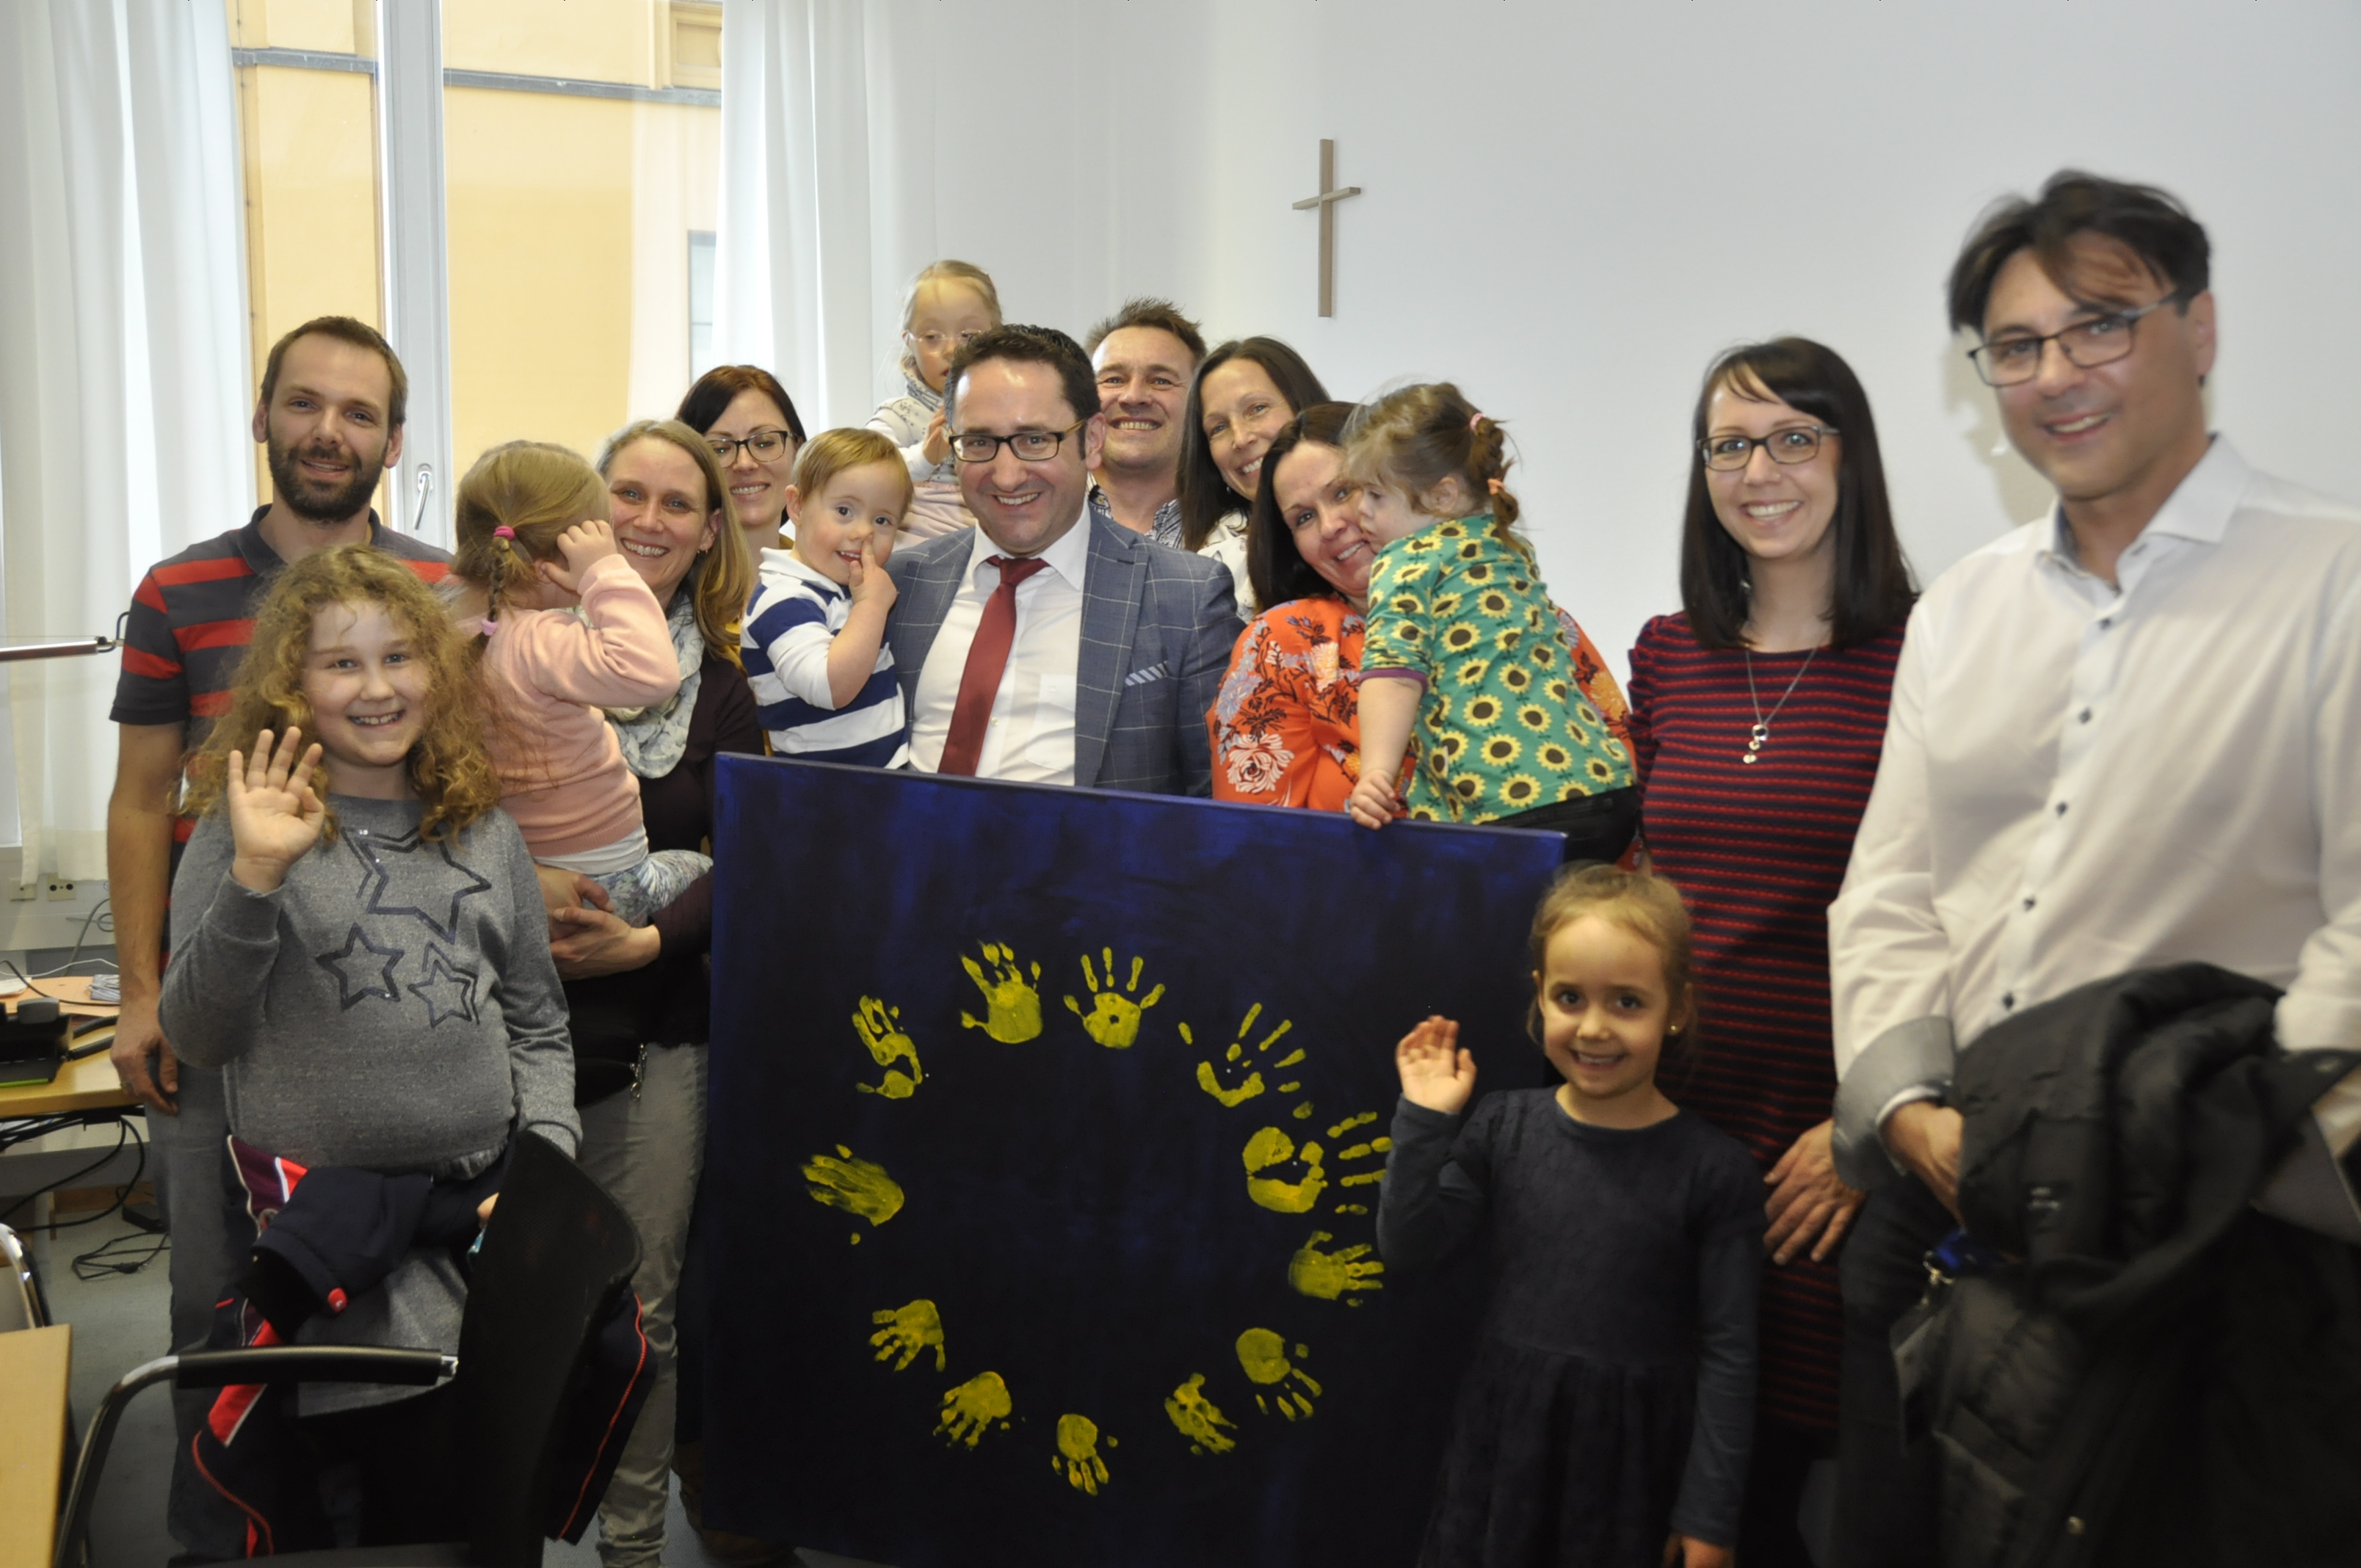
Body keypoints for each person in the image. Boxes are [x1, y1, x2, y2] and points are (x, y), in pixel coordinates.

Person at [1828, 170, 2361, 1566]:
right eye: (2016, 346)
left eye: (2101, 326)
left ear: (2200, 327)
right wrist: (1911, 1116)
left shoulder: (2335, 581)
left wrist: (2207, 1165)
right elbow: (1890, 891)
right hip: (1949, 1214)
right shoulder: (1963, 610)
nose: (2056, 375)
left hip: (2207, 1264)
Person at [103, 313, 451, 1561]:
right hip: (222, 1011)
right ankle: (219, 1539)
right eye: (304, 404)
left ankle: (370, 1537)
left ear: (394, 442)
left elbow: (473, 795)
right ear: (262, 417)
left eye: (359, 413)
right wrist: (138, 991)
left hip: (383, 1023)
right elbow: (141, 800)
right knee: (217, 1302)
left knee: (381, 1299)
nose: (328, 432)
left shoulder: (445, 594)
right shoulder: (176, 591)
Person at [159, 545, 576, 1545]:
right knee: (363, 1516)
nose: (378, 688)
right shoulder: (243, 828)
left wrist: (545, 1165)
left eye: (399, 657)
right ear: (292, 686)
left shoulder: (483, 830)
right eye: (342, 664)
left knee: (490, 1506)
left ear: (437, 668)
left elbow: (538, 1021)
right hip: (331, 1242)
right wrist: (257, 878)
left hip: (482, 1226)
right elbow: (200, 1034)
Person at [1624, 338, 1915, 1567]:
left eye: (1795, 437)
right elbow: (1641, 890)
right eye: (1731, 445)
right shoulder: (1667, 653)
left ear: (1851, 457)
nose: (1760, 472)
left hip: (1822, 1160)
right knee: (1658, 1484)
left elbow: (1968, 918)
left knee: (1782, 1501)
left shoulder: (1927, 657)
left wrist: (1874, 1126)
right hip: (1665, 1143)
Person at [1377, 865, 1759, 1568]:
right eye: (1570, 998)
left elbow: (1731, 1354)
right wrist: (1423, 1121)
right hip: (1504, 1443)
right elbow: (1408, 1245)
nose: (1593, 1028)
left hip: (1631, 1463)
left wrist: (1710, 1516)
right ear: (1540, 997)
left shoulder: (1715, 1171)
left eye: (1627, 1003)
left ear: (1677, 1007)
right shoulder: (1504, 1127)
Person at [534, 418, 763, 1568]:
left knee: (641, 1308)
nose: (649, 521)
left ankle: (633, 1550)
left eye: (679, 504)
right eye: (628, 494)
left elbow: (751, 854)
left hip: (656, 1031)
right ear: (587, 510)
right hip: (498, 1031)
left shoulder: (720, 690)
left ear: (711, 532)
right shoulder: (512, 655)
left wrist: (646, 941)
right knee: (502, 1307)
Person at [1213, 404, 1633, 812]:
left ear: (1420, 484)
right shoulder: (1277, 646)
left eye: (1345, 492)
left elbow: (1621, 774)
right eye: (1303, 518)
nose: (1330, 526)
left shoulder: (1528, 612)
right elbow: (1254, 837)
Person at [884, 324, 1238, 795]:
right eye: (980, 442)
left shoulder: (1186, 599)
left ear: (1092, 441)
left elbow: (1216, 806)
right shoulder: (900, 585)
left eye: (1035, 440)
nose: (1007, 476)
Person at [1341, 385, 1639, 858]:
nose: (1360, 510)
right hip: (1606, 790)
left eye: (1376, 495)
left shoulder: (1407, 559)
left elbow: (1394, 674)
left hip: (1506, 804)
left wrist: (1377, 772)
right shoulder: (1511, 546)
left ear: (1443, 496)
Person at [445, 442, 703, 926]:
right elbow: (656, 674)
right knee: (705, 869)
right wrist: (605, 574)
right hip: (606, 879)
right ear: (557, 558)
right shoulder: (538, 639)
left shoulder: (445, 636)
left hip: (523, 880)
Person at [744, 427, 913, 765]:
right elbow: (829, 687)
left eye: (882, 520)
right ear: (797, 507)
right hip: (825, 787)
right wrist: (872, 606)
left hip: (882, 777)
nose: (863, 532)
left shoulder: (845, 589)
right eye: (844, 511)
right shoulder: (782, 598)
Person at [1178, 337, 1330, 615]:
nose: (1240, 438)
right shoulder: (1216, 569)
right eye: (1219, 427)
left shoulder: (1382, 512)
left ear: (1302, 404)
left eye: (1257, 409)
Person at [868, 259, 1000, 540]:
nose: (951, 349)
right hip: (916, 553)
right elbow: (863, 475)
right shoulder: (899, 416)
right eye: (932, 337)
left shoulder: (1007, 418)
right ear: (909, 341)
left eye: (969, 335)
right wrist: (924, 458)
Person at [1083, 297, 1205, 544]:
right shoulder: (1038, 510)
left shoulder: (1244, 535)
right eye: (1114, 380)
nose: (1133, 397)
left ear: (1199, 402)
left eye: (1161, 381)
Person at [678, 364, 809, 554]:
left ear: (798, 452)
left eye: (764, 443)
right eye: (720, 449)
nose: (745, 463)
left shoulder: (836, 572)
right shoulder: (658, 573)